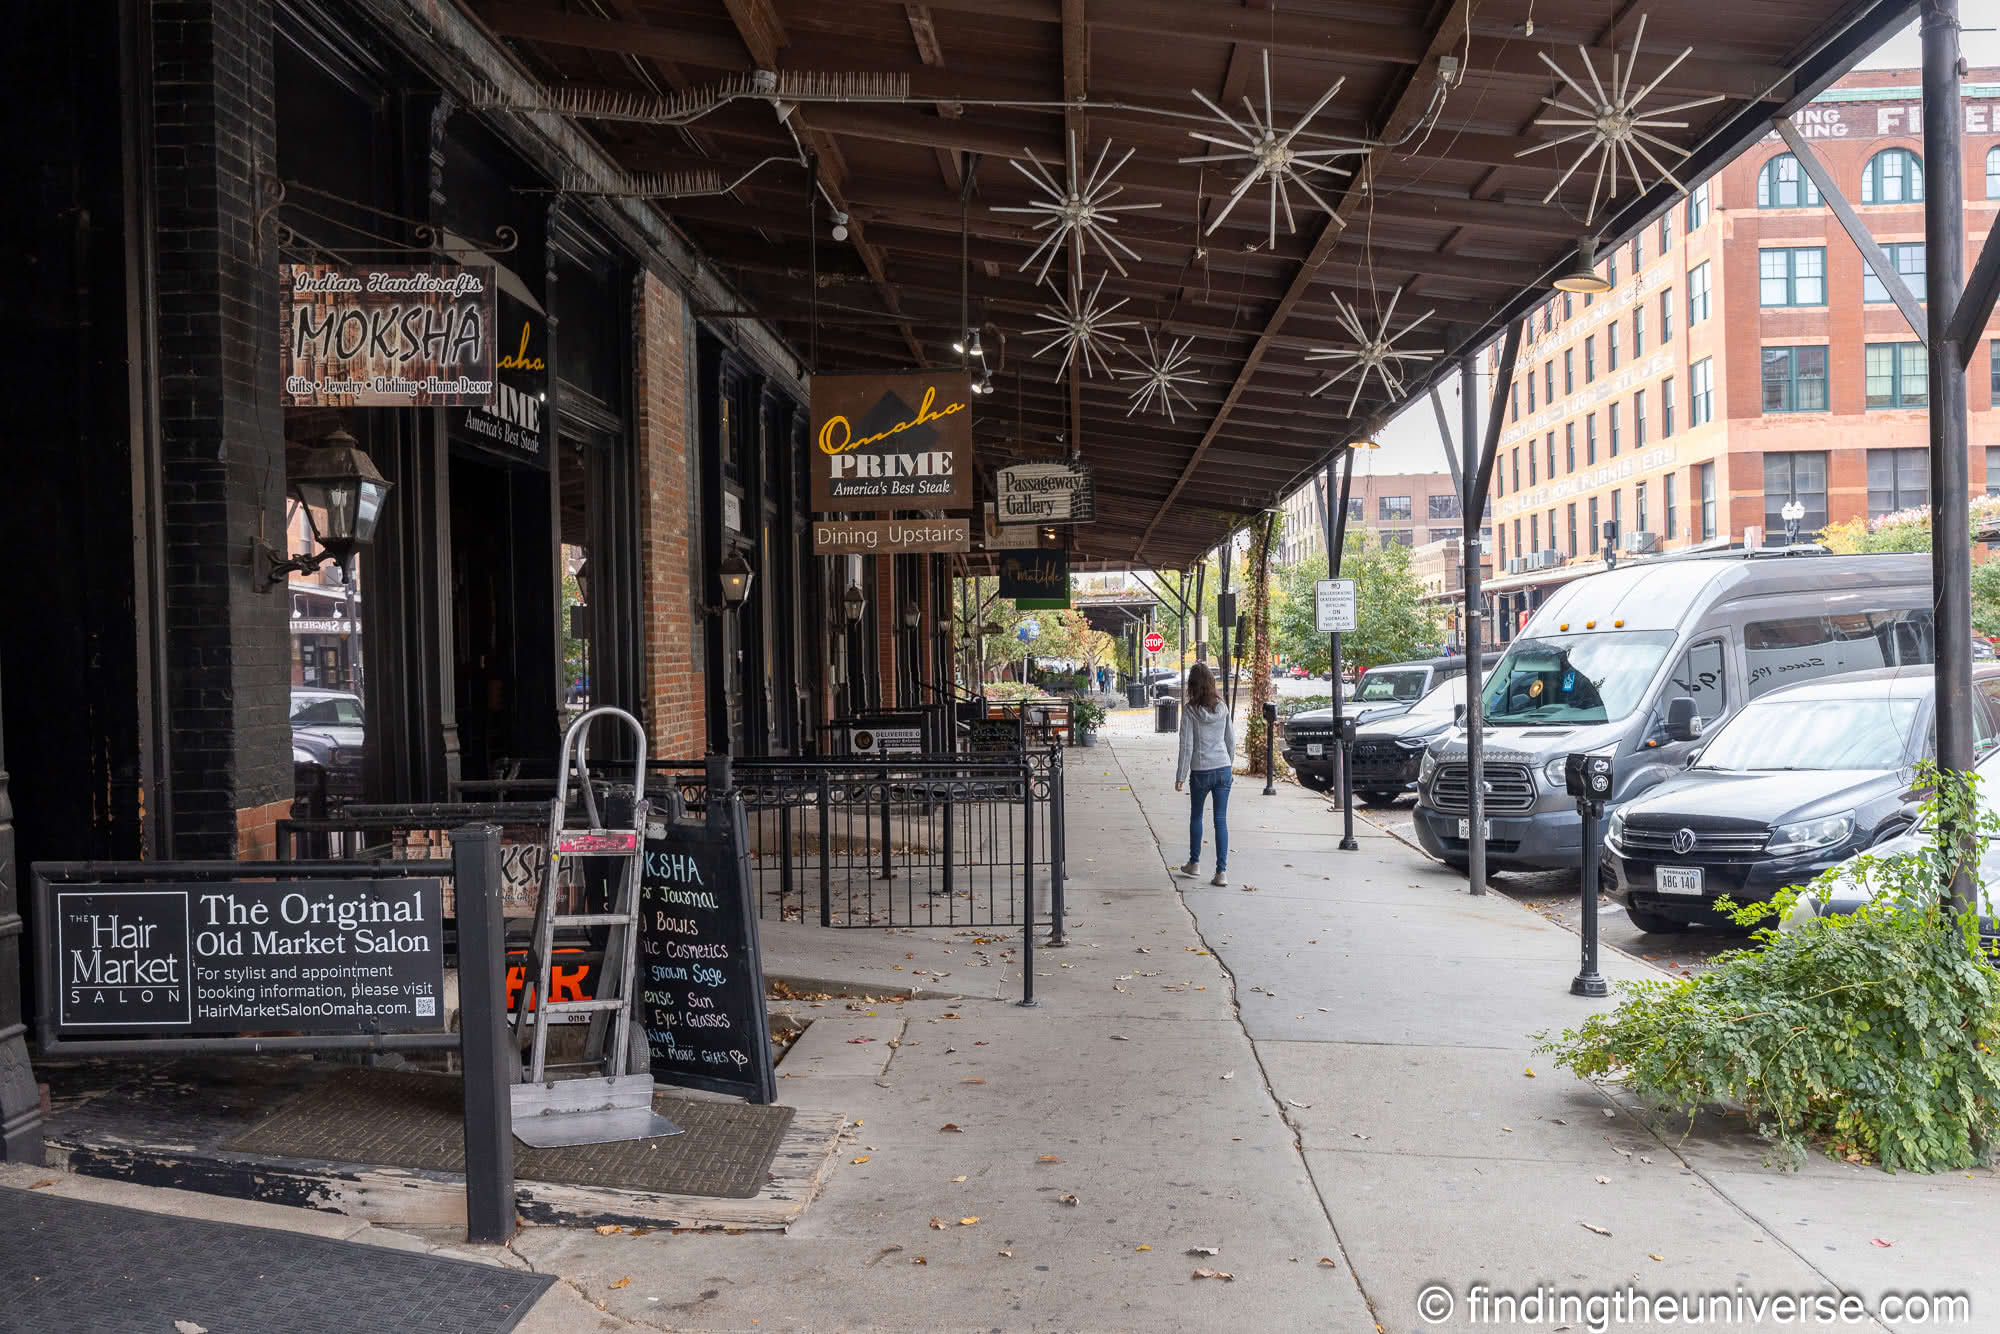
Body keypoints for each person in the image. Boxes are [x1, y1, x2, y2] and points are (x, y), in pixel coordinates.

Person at [1174, 662, 1235, 887]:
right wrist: (1229, 765)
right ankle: (1221, 872)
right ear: (1211, 684)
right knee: (1221, 819)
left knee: (1197, 816)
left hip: (1201, 770)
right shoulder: (1223, 707)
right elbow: (1231, 740)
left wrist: (1180, 776)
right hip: (1223, 768)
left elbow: (1186, 745)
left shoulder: (1190, 710)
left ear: (1192, 685)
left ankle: (1195, 863)